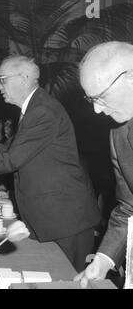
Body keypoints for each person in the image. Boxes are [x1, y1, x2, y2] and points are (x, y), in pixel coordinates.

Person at [0, 55, 101, 272]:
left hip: (65, 220)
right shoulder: (34, 107)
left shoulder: (42, 111)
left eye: (3, 79)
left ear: (24, 78)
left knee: (65, 282)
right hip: (52, 217)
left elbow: (11, 159)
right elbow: (8, 148)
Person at [74, 41, 133, 287]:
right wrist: (103, 261)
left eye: (101, 97)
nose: (97, 110)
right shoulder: (118, 134)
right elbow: (129, 207)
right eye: (91, 99)